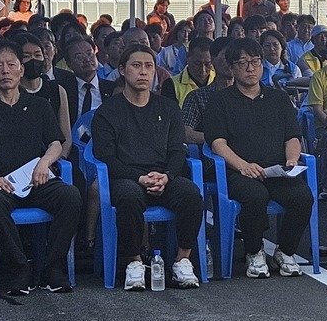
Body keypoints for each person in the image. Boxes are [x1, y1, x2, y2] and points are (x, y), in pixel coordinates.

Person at [0, 38, 83, 295]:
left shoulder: (39, 105)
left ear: (21, 69)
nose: (5, 71)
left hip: (35, 179)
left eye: (11, 65)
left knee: (70, 196)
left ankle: (52, 268)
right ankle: (19, 269)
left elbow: (56, 143)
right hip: (0, 182)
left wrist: (44, 164)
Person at [92, 44, 203, 290]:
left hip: (163, 176)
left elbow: (177, 150)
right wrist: (140, 178)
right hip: (128, 178)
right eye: (136, 65)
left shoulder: (168, 108)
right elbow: (107, 158)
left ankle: (183, 259)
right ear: (122, 70)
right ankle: (133, 262)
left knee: (191, 194)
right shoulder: (108, 112)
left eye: (149, 66)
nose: (143, 72)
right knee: (129, 196)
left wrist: (167, 176)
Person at [202, 39, 313, 277]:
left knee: (302, 197)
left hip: (276, 170)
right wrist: (243, 166)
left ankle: (285, 251)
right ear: (231, 68)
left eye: (255, 62)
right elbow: (217, 143)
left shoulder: (278, 99)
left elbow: (293, 136)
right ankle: (254, 251)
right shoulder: (220, 101)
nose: (250, 68)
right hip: (239, 171)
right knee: (255, 195)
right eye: (243, 63)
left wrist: (291, 160)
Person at [15, 32, 73, 155]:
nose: (33, 60)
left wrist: (59, 160)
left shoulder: (57, 90)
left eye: (37, 55)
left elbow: (66, 138)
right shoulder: (12, 92)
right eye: (27, 56)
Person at [180, 37, 233, 146]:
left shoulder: (249, 94)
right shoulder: (197, 97)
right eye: (225, 56)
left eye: (236, 57)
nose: (231, 61)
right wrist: (219, 140)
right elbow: (185, 132)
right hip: (215, 157)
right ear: (213, 59)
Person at [63, 35, 115, 126]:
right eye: (79, 57)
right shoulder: (64, 90)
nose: (86, 59)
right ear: (69, 64)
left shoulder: (112, 89)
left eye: (89, 53)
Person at [162, 35, 215, 106]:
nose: (203, 70)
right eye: (197, 64)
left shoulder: (218, 80)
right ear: (188, 58)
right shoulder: (171, 85)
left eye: (208, 64)